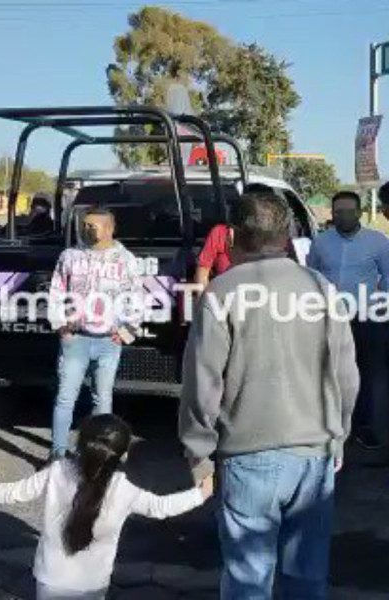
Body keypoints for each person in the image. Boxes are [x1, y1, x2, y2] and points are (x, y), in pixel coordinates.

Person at [179, 191, 359, 599]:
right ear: (289, 234)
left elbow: (202, 382)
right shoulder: (321, 288)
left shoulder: (222, 293)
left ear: (232, 237)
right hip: (315, 454)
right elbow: (347, 374)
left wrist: (199, 454)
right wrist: (339, 436)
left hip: (247, 455)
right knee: (307, 576)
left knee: (247, 579)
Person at [0, 414, 212, 599]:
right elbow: (161, 507)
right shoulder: (122, 488)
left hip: (50, 578)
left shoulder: (57, 471)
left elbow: (12, 493)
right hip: (92, 583)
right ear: (123, 455)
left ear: (79, 445)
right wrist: (201, 493)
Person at [47, 207, 144, 458]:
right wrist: (60, 325)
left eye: (93, 225)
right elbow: (56, 290)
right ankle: (57, 454)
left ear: (110, 228)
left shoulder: (125, 260)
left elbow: (136, 297)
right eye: (85, 224)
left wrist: (126, 332)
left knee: (103, 400)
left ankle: (100, 454)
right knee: (65, 399)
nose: (86, 229)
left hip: (108, 342)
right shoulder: (69, 256)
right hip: (75, 340)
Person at [307, 190, 389, 449]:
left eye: (349, 212)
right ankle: (333, 425)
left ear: (360, 213)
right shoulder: (321, 242)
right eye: (338, 212)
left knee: (371, 373)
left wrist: (381, 303)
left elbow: (388, 276)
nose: (344, 217)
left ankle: (369, 428)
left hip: (368, 316)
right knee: (330, 371)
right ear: (331, 214)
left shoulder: (378, 241)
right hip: (331, 318)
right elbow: (313, 274)